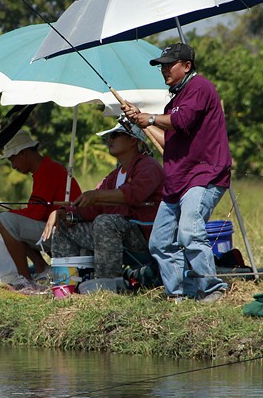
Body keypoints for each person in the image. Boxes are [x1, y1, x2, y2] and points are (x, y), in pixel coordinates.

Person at [122, 43, 232, 302]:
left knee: (190, 232)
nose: (164, 70)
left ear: (187, 66)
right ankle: (180, 294)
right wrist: (140, 119)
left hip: (203, 176)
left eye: (169, 64)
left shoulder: (199, 87)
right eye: (162, 65)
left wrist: (149, 118)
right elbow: (167, 140)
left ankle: (212, 289)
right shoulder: (176, 99)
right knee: (159, 242)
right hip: (178, 181)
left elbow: (181, 122)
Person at [41, 119, 163, 292]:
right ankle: (67, 283)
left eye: (116, 135)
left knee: (105, 221)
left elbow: (135, 194)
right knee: (64, 226)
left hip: (144, 236)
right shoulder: (113, 176)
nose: (110, 140)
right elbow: (94, 207)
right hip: (116, 231)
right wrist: (65, 213)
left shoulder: (149, 166)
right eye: (109, 136)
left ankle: (109, 284)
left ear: (133, 140)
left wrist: (97, 195)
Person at [0, 129, 80, 284]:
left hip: (68, 233)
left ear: (24, 153)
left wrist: (1, 216)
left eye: (13, 159)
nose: (13, 166)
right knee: (9, 222)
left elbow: (35, 213)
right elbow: (37, 211)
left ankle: (25, 280)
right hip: (62, 229)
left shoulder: (48, 170)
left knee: (6, 221)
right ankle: (41, 268)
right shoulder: (46, 169)